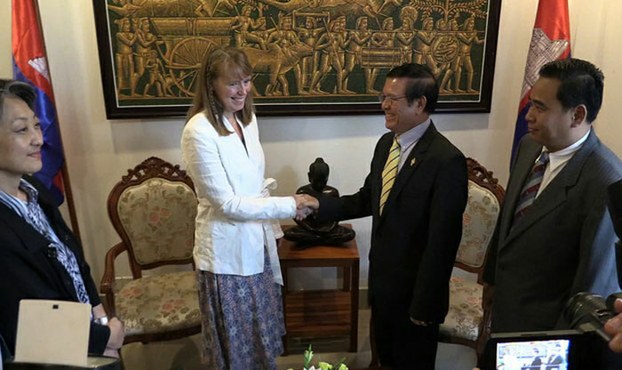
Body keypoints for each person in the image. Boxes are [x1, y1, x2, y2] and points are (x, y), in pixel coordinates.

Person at [305, 63, 468, 369]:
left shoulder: (446, 161)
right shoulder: (386, 145)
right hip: (383, 288)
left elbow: (442, 243)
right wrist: (317, 205)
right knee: (387, 360)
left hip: (414, 299)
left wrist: (424, 307)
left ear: (420, 104)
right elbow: (368, 199)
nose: (384, 105)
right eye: (383, 96)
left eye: (392, 98)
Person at [180, 46, 313, 369]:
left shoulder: (247, 120)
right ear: (211, 84)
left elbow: (252, 184)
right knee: (236, 349)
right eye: (233, 83)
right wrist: (288, 205)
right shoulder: (198, 131)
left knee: (260, 338)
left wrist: (276, 227)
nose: (243, 91)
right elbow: (227, 204)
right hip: (227, 256)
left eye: (247, 81)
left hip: (258, 246)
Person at [483, 59, 622, 360]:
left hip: (544, 340)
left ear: (577, 115)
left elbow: (591, 286)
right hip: (506, 317)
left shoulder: (605, 180)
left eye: (540, 108)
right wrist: (491, 278)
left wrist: (553, 351)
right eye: (531, 104)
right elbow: (510, 220)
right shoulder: (529, 147)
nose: (528, 116)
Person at [0, 80, 125, 357]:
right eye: (22, 130)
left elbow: (74, 263)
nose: (38, 139)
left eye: (36, 125)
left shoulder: (35, 190)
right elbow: (25, 320)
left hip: (88, 341)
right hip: (52, 354)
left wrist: (100, 315)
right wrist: (103, 338)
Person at [284, 158, 355, 245]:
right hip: (309, 229)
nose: (320, 184)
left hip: (328, 229)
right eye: (317, 181)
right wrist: (311, 229)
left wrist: (329, 228)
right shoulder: (303, 192)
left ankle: (316, 239)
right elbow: (297, 215)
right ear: (309, 177)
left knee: (350, 234)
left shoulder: (332, 192)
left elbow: (337, 214)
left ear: (327, 178)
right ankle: (321, 239)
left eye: (323, 181)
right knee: (289, 233)